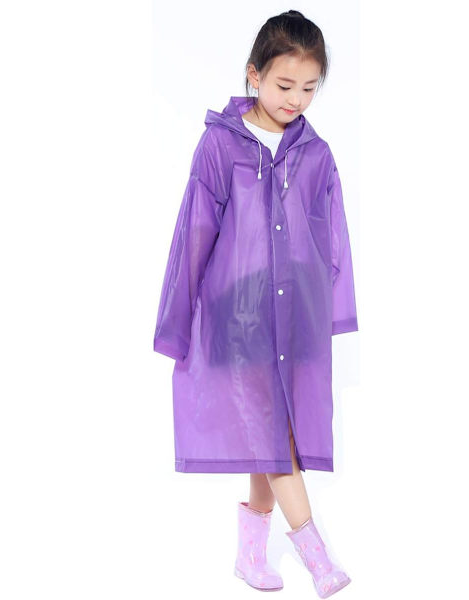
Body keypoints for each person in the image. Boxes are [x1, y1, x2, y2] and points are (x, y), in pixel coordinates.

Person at [152, 10, 358, 598]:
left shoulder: (316, 154)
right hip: (236, 317)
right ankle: (317, 555)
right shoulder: (220, 145)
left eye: (309, 88)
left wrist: (329, 311)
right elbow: (194, 231)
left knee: (267, 436)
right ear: (254, 75)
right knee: (278, 437)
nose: (296, 99)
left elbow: (332, 238)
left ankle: (249, 555)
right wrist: (178, 322)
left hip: (293, 317)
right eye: (284, 84)